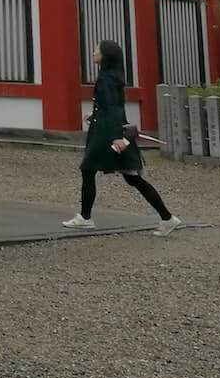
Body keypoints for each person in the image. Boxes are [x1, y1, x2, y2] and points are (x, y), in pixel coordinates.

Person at [64, 38, 182, 236]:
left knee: (90, 169)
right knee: (130, 177)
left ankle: (85, 218)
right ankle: (167, 218)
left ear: (105, 55)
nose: (93, 53)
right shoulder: (113, 76)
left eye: (97, 50)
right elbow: (113, 106)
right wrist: (95, 113)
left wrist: (118, 137)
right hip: (110, 130)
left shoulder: (106, 79)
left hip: (108, 134)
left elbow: (113, 110)